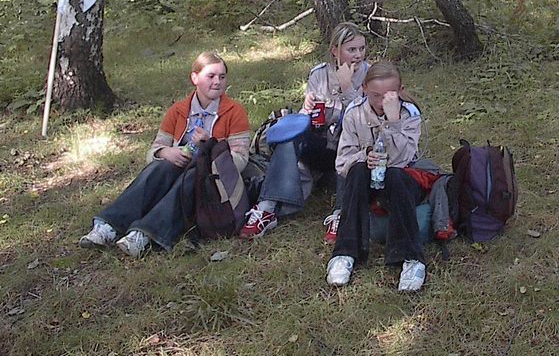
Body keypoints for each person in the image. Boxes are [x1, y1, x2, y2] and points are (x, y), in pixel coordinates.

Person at [79, 52, 251, 257]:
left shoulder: (234, 111)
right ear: (195, 78)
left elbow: (240, 159)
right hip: (177, 169)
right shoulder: (178, 111)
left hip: (212, 181)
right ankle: (108, 226)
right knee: (159, 167)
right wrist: (165, 151)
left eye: (222, 77)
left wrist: (210, 146)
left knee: (192, 176)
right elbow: (153, 151)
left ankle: (144, 233)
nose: (217, 82)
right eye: (211, 76)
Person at [239, 22, 369, 240]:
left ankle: (341, 214)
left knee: (349, 141)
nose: (358, 55)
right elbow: (309, 119)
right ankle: (266, 208)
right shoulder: (320, 74)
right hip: (321, 143)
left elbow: (364, 121)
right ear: (335, 51)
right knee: (292, 136)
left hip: (351, 147)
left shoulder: (370, 75)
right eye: (351, 49)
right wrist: (305, 110)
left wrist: (347, 89)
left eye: (361, 48)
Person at [325, 61, 427, 292]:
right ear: (363, 89)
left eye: (388, 96)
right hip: (366, 181)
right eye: (375, 96)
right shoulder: (354, 113)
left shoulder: (409, 113)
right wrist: (366, 155)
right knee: (357, 171)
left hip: (401, 181)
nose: (381, 103)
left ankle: (411, 257)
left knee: (395, 175)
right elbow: (342, 162)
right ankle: (344, 253)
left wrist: (392, 122)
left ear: (400, 91)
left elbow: (403, 159)